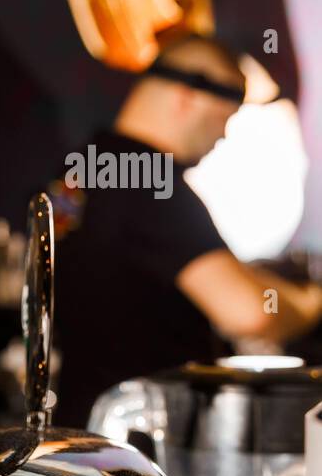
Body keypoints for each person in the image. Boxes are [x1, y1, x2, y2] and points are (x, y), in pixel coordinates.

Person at [47, 34, 322, 427]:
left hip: (82, 422)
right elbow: (251, 312)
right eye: (225, 117)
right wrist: (312, 302)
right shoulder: (151, 183)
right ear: (187, 97)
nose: (224, 136)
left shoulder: (80, 171)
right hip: (141, 439)